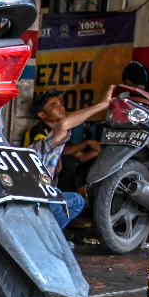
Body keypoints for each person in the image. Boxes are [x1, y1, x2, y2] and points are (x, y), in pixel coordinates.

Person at [24, 86, 114, 229]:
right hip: (38, 199)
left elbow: (82, 157)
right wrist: (102, 105)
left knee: (77, 163)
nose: (61, 108)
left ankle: (47, 232)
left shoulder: (57, 136)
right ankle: (49, 233)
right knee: (77, 199)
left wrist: (99, 152)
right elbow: (63, 126)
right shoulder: (39, 132)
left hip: (34, 199)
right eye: (54, 105)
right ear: (42, 114)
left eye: (60, 104)